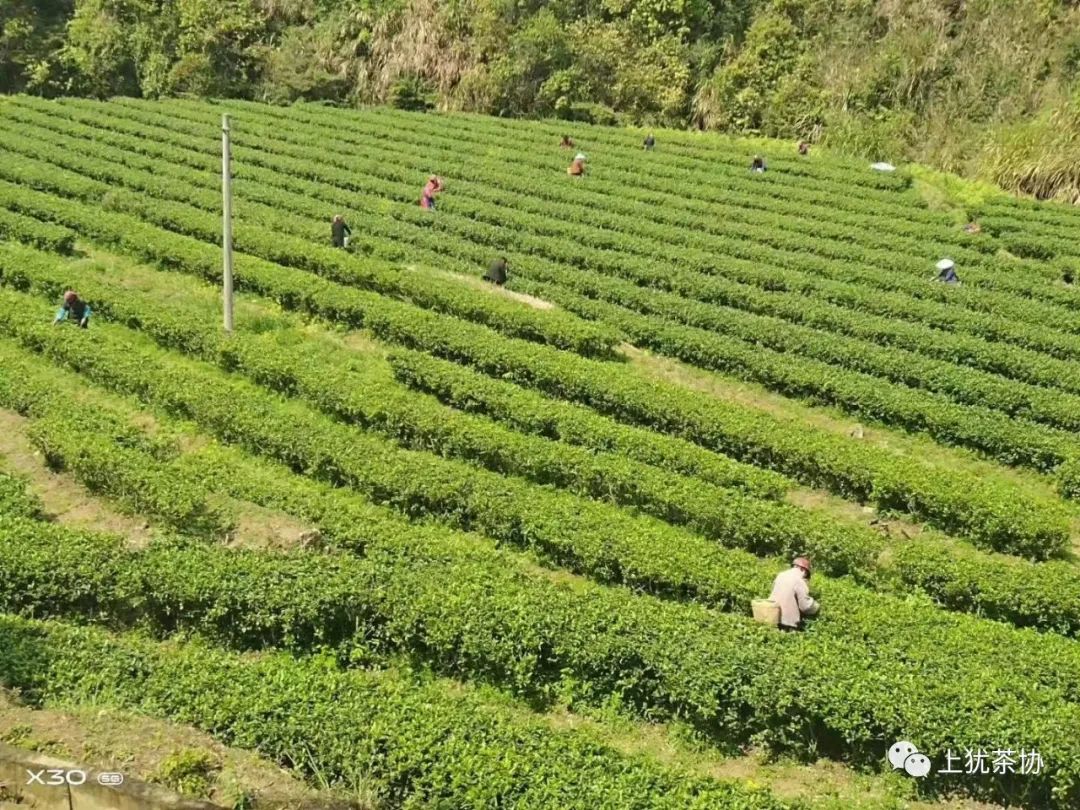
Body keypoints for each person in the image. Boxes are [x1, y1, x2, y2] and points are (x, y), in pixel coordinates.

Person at [769, 557, 819, 631]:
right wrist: (816, 606)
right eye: (806, 574)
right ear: (803, 570)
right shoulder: (799, 581)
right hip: (787, 622)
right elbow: (805, 606)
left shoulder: (780, 575)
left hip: (772, 614)